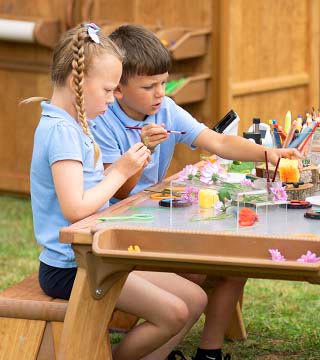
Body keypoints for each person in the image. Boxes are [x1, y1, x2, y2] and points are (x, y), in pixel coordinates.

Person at [91, 24, 301, 360]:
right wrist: (142, 151)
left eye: (164, 82)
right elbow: (118, 191)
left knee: (232, 260)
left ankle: (208, 352)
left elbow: (216, 141)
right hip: (122, 225)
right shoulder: (102, 119)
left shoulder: (166, 109)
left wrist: (268, 154)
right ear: (117, 88)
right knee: (199, 270)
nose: (160, 93)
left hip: (157, 216)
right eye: (149, 86)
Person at [27, 23, 208, 360]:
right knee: (175, 313)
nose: (112, 100)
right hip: (72, 266)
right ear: (76, 82)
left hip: (97, 254)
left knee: (195, 299)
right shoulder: (61, 133)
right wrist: (122, 171)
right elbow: (75, 209)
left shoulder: (72, 125)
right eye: (108, 90)